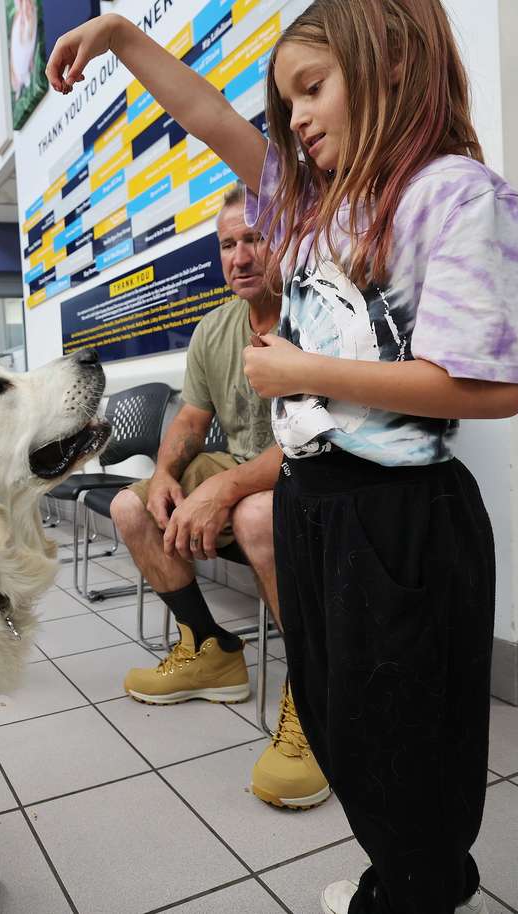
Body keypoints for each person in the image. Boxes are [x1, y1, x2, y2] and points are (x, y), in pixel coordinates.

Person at [47, 2, 518, 912]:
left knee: (406, 738)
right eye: (287, 101)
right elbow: (207, 117)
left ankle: (415, 885)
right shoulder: (317, 208)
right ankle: (407, 874)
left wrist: (303, 368)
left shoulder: (456, 195)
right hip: (315, 505)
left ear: (391, 62)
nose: (297, 117)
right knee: (343, 721)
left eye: (314, 87)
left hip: (397, 517)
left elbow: (495, 387)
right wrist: (118, 35)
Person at [112, 182, 330, 813]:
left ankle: (316, 693)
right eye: (228, 244)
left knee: (258, 514)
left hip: (311, 467)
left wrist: (225, 490)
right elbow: (188, 420)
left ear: (286, 239)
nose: (240, 256)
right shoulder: (215, 328)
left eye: (255, 239)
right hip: (238, 463)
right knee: (132, 507)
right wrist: (164, 476)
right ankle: (209, 649)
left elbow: (310, 438)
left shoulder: (314, 315)